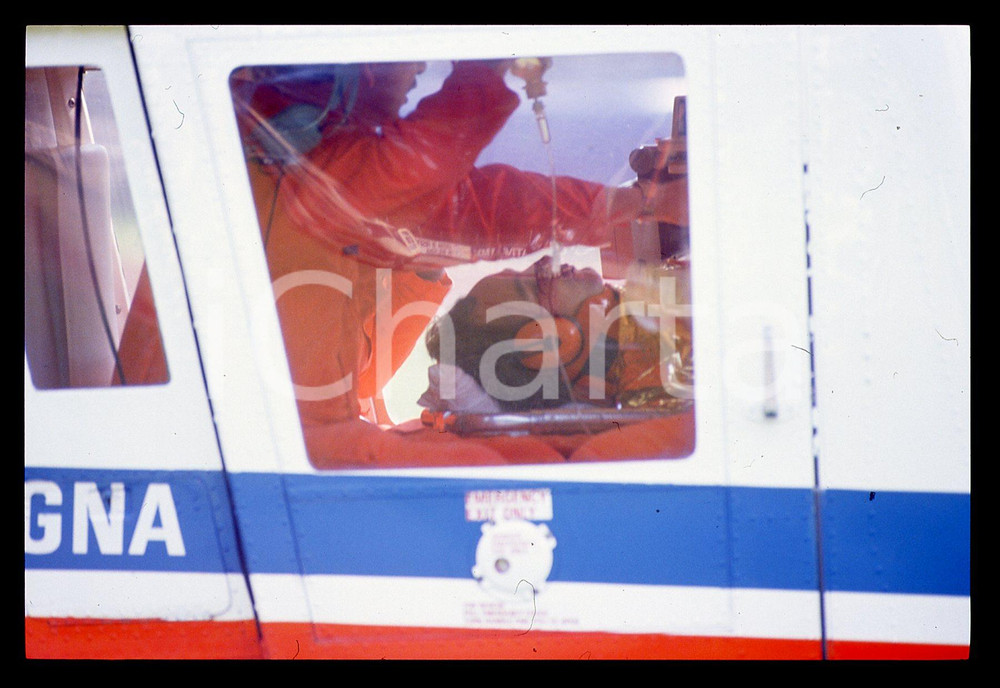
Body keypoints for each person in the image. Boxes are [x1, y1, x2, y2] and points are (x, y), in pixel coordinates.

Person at [226, 58, 689, 468]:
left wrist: (643, 203)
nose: (420, 68)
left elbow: (463, 211)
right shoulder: (313, 180)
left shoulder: (293, 172)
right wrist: (483, 71)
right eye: (404, 54)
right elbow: (444, 189)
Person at [416, 255, 695, 462]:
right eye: (530, 287)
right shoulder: (671, 413)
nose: (545, 262)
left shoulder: (666, 310)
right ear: (556, 343)